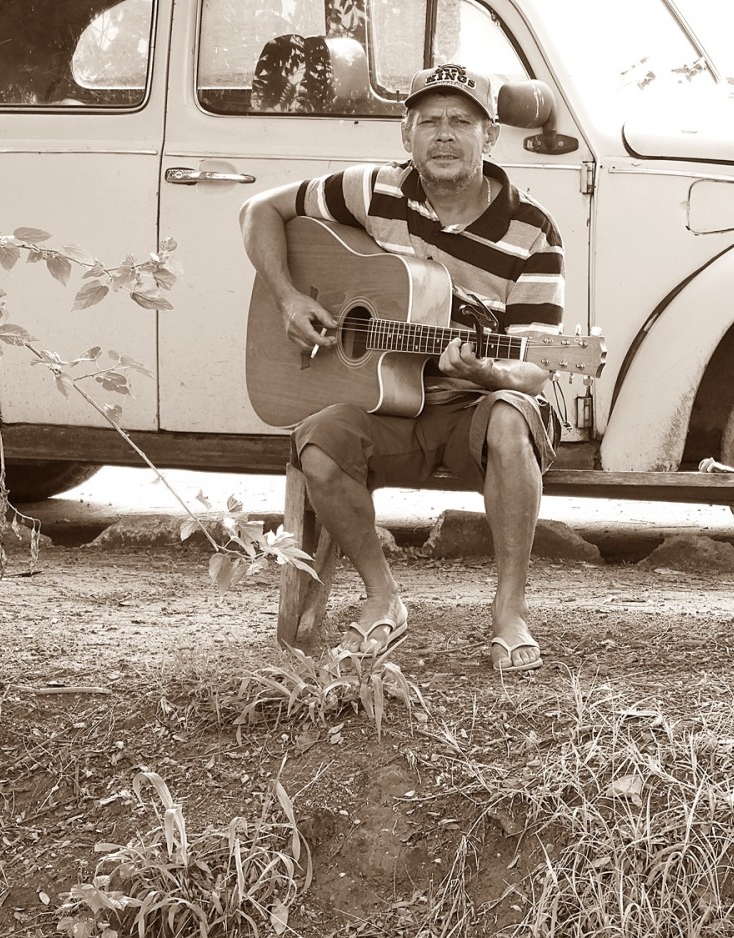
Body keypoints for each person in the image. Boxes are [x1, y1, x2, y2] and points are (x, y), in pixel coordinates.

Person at [239, 63, 565, 672]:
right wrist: (288, 296)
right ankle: (382, 594)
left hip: (474, 408)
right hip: (390, 405)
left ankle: (509, 611)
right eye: (430, 122)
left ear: (489, 137)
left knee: (511, 418)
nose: (445, 135)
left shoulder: (531, 228)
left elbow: (536, 371)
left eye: (462, 122)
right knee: (319, 444)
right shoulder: (373, 189)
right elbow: (259, 210)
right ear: (405, 135)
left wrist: (485, 374)